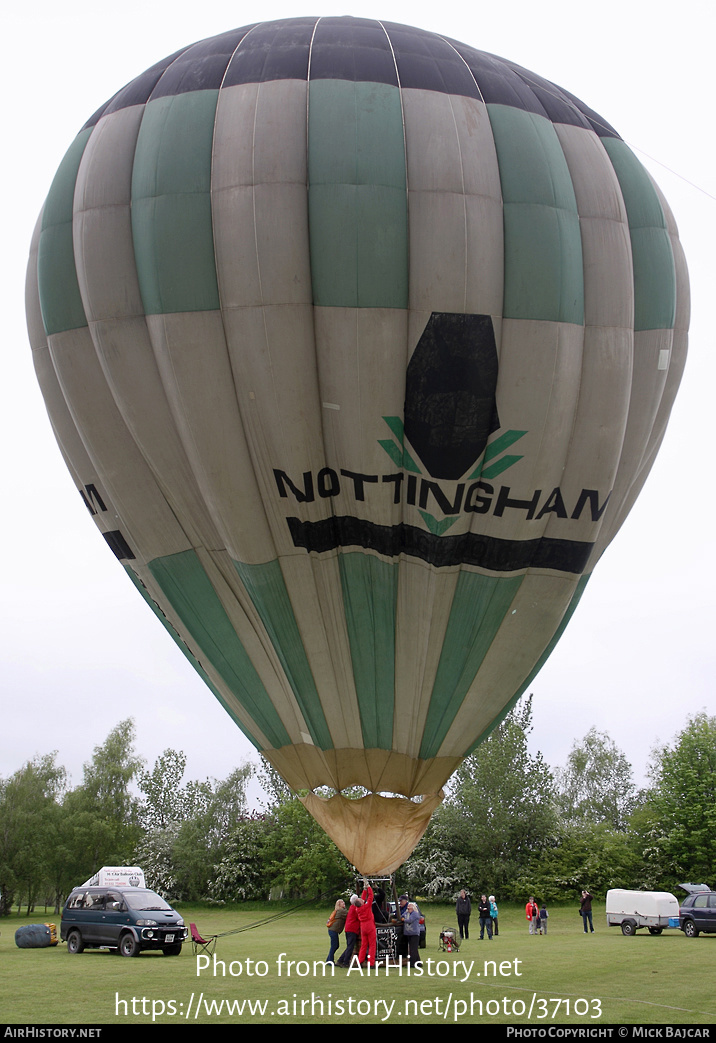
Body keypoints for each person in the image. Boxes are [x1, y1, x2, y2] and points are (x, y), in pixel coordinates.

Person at [336, 895, 360, 967]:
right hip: (352, 929)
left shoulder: (351, 907)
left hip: (348, 929)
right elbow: (360, 917)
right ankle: (345, 962)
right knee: (350, 947)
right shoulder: (355, 909)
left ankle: (340, 960)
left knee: (349, 946)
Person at [356, 884, 377, 967]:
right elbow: (371, 896)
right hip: (370, 925)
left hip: (363, 926)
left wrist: (364, 890)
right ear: (361, 903)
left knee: (364, 945)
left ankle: (360, 961)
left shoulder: (358, 909)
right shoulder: (366, 907)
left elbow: (363, 898)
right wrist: (369, 887)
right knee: (372, 945)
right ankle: (371, 963)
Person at [326, 898, 347, 964]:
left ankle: (328, 960)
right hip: (333, 931)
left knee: (335, 945)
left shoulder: (338, 911)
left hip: (332, 930)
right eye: (342, 902)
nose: (344, 903)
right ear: (339, 905)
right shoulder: (341, 911)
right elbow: (349, 914)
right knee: (335, 945)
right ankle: (330, 961)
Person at [402, 901, 422, 967]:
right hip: (408, 933)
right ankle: (418, 962)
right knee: (413, 948)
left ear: (413, 908)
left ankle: (412, 963)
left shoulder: (415, 914)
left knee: (413, 949)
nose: (408, 908)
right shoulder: (406, 913)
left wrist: (403, 920)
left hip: (414, 934)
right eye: (408, 907)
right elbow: (402, 916)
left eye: (409, 906)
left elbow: (410, 920)